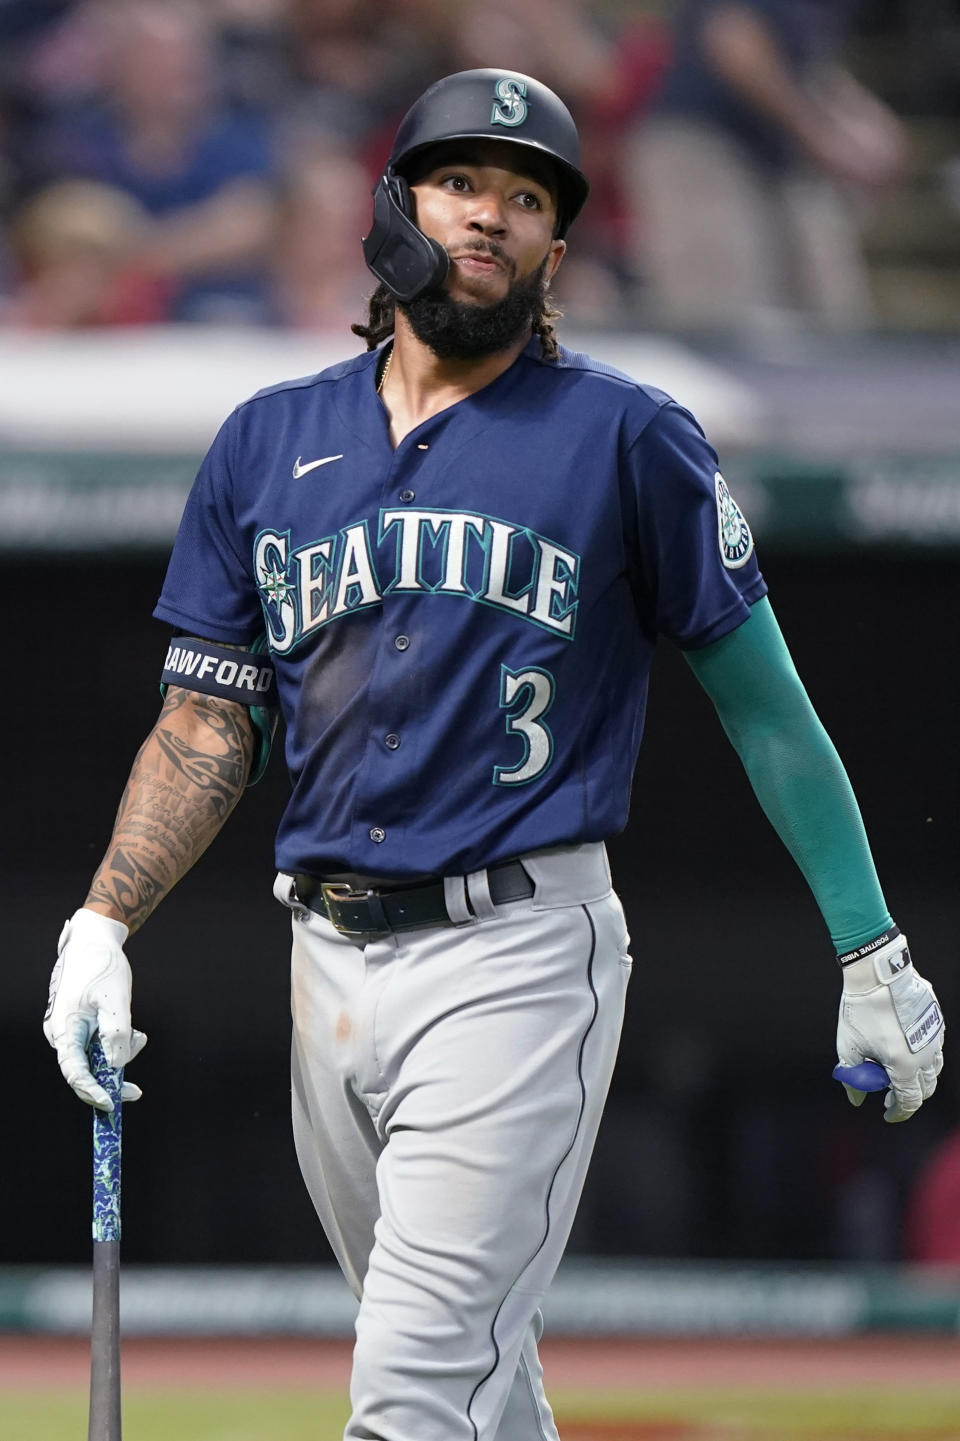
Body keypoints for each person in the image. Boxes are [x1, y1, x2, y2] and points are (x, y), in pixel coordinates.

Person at [44, 68, 944, 1441]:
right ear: (395, 204)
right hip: (326, 963)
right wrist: (104, 922)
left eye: (528, 199)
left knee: (411, 1387)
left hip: (518, 953)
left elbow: (769, 708)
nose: (493, 214)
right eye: (463, 181)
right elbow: (209, 716)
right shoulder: (266, 442)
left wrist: (869, 948)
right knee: (477, 1386)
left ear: (556, 251)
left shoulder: (628, 437)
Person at [627, 0, 909, 335]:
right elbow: (735, 45)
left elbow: (807, 65)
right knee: (727, 325)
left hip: (775, 157)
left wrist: (864, 119)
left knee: (834, 319)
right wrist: (823, 139)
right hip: (699, 146)